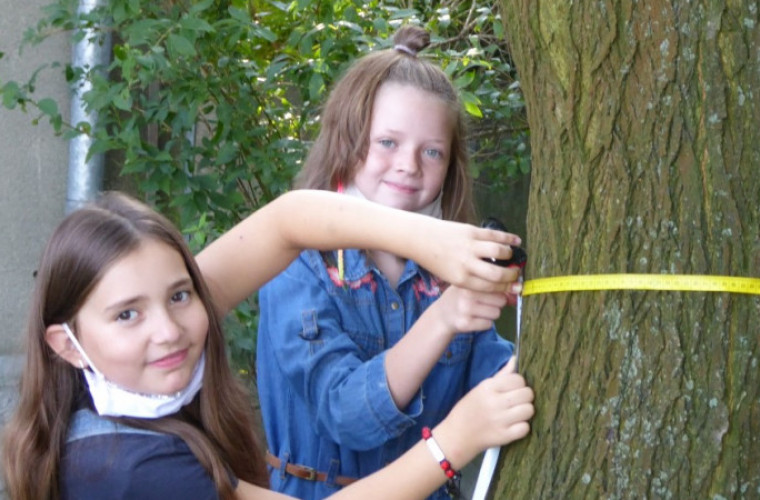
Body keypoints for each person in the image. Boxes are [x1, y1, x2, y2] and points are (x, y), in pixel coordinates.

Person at [1, 191, 532, 500]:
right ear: (67, 344)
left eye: (180, 294)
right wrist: (455, 439)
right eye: (127, 314)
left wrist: (430, 241)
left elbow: (284, 224)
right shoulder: (131, 469)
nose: (167, 330)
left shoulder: (95, 386)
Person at [254, 25, 523, 500]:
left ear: (451, 168)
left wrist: (537, 306)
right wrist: (442, 318)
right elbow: (344, 415)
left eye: (432, 151)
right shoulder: (296, 266)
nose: (409, 165)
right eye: (387, 142)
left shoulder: (449, 278)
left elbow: (506, 381)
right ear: (347, 141)